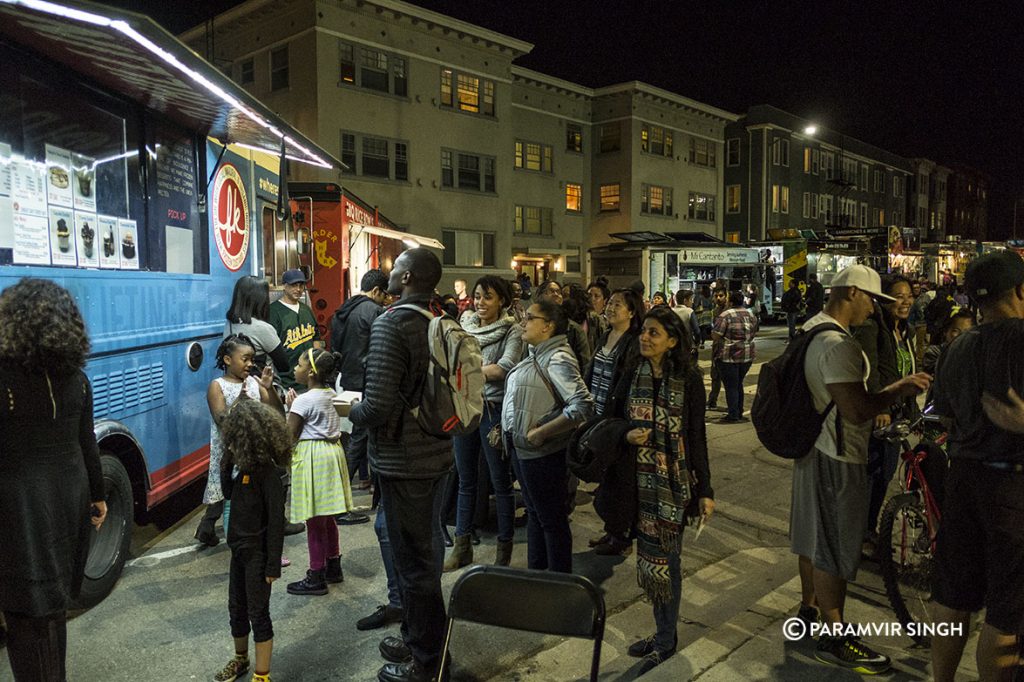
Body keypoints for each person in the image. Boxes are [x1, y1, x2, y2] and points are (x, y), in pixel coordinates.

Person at [791, 265, 929, 675]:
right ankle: (835, 637)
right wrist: (897, 390)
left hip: (813, 450)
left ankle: (814, 617)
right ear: (851, 293)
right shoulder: (839, 345)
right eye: (872, 299)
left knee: (817, 543)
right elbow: (856, 409)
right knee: (836, 550)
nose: (874, 309)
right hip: (838, 455)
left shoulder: (811, 329)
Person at [349, 248, 452, 682]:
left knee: (415, 565)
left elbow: (376, 405)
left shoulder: (391, 323)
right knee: (422, 556)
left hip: (403, 461)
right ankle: (417, 638)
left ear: (406, 277)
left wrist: (348, 410)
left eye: (396, 268)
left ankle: (427, 662)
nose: (389, 274)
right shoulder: (438, 322)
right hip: (436, 454)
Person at [0, 279, 106, 681]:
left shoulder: (4, 379)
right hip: (69, 498)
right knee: (54, 607)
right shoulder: (77, 378)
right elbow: (87, 444)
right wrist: (99, 496)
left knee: (25, 615)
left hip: (19, 506)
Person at [930, 250, 1024, 682]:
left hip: (963, 479)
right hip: (1011, 486)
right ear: (1020, 291)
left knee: (954, 596)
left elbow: (944, 415)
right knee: (1006, 616)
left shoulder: (957, 346)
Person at [624, 307, 714, 675]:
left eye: (655, 333)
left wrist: (705, 488)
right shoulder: (633, 371)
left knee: (668, 563)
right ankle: (662, 632)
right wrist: (626, 434)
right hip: (637, 484)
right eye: (644, 330)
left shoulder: (689, 378)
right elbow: (612, 417)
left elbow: (697, 436)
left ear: (673, 341)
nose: (645, 337)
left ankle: (665, 640)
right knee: (649, 559)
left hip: (673, 487)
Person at [502, 298, 594, 573]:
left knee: (551, 520)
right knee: (537, 516)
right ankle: (538, 577)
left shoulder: (557, 357)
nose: (523, 322)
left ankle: (558, 584)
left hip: (543, 454)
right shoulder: (536, 353)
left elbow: (581, 405)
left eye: (530, 318)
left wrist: (541, 433)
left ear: (548, 326)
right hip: (524, 450)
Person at [444, 276, 523, 571]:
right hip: (464, 408)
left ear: (501, 300)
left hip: (493, 410)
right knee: (465, 480)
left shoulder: (512, 330)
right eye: (477, 296)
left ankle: (504, 550)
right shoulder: (464, 326)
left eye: (487, 297)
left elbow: (504, 368)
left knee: (500, 483)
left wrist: (465, 369)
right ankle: (462, 546)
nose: (480, 303)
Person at [214, 399, 291, 682]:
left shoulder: (268, 474)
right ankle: (240, 660)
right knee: (237, 609)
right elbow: (228, 494)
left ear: (247, 439)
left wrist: (273, 565)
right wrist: (225, 464)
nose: (230, 444)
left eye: (234, 440)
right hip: (239, 552)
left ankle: (262, 674)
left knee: (259, 614)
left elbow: (275, 523)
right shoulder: (240, 469)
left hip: (258, 556)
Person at [196, 335, 284, 547]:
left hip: (257, 456)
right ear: (227, 360)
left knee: (258, 503)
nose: (250, 364)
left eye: (252, 359)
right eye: (245, 359)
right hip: (232, 458)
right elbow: (222, 421)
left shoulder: (254, 383)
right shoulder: (217, 386)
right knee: (232, 504)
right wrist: (239, 401)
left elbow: (277, 413)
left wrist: (269, 388)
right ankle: (238, 548)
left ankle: (261, 548)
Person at [852, 275, 918, 555]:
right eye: (899, 296)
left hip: (900, 413)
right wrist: (880, 407)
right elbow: (870, 371)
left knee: (884, 475)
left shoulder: (906, 331)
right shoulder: (872, 328)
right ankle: (861, 535)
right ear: (885, 299)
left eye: (909, 296)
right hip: (880, 415)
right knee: (872, 477)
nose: (905, 302)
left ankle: (867, 530)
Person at [283, 350, 355, 596]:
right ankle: (334, 566)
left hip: (312, 456)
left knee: (313, 519)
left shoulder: (303, 400)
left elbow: (289, 435)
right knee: (327, 517)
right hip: (332, 454)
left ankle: (316, 575)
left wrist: (290, 408)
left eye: (299, 364)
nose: (295, 368)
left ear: (311, 372)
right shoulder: (331, 394)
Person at [584, 288, 644, 556]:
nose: (610, 308)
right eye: (609, 303)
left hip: (616, 418)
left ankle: (621, 538)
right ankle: (612, 531)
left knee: (620, 482)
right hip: (597, 412)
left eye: (617, 304)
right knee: (606, 477)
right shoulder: (606, 335)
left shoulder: (633, 341)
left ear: (631, 312)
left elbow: (630, 383)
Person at [331, 269, 389, 508]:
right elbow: (381, 347)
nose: (385, 300)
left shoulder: (342, 310)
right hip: (368, 380)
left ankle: (371, 488)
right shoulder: (373, 311)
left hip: (348, 378)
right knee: (362, 435)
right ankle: (337, 492)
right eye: (384, 295)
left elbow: (335, 346)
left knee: (358, 433)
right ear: (376, 291)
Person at [224, 275, 291, 375]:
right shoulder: (262, 328)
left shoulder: (229, 324)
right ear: (261, 300)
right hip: (260, 386)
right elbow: (284, 366)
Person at [269, 269, 322, 390]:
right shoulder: (273, 311)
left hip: (310, 380)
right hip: (286, 381)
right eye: (293, 285)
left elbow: (316, 338)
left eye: (301, 285)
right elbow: (271, 347)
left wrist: (316, 365)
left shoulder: (306, 309)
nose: (298, 289)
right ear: (284, 286)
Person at [711, 291, 758, 423]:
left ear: (730, 302)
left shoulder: (725, 315)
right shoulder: (750, 314)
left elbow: (716, 335)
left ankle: (733, 414)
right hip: (747, 355)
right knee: (738, 383)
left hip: (728, 355)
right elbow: (754, 332)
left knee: (731, 386)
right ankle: (739, 411)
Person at [535, 279, 592, 371]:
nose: (556, 294)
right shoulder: (531, 325)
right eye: (551, 291)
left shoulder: (574, 329)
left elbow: (584, 365)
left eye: (558, 292)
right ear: (540, 296)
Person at [705, 287, 729, 410]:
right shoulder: (714, 311)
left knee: (729, 378)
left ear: (726, 296)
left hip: (728, 349)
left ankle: (733, 406)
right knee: (715, 376)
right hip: (716, 347)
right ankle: (712, 400)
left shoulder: (729, 311)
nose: (718, 298)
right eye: (716, 296)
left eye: (721, 296)